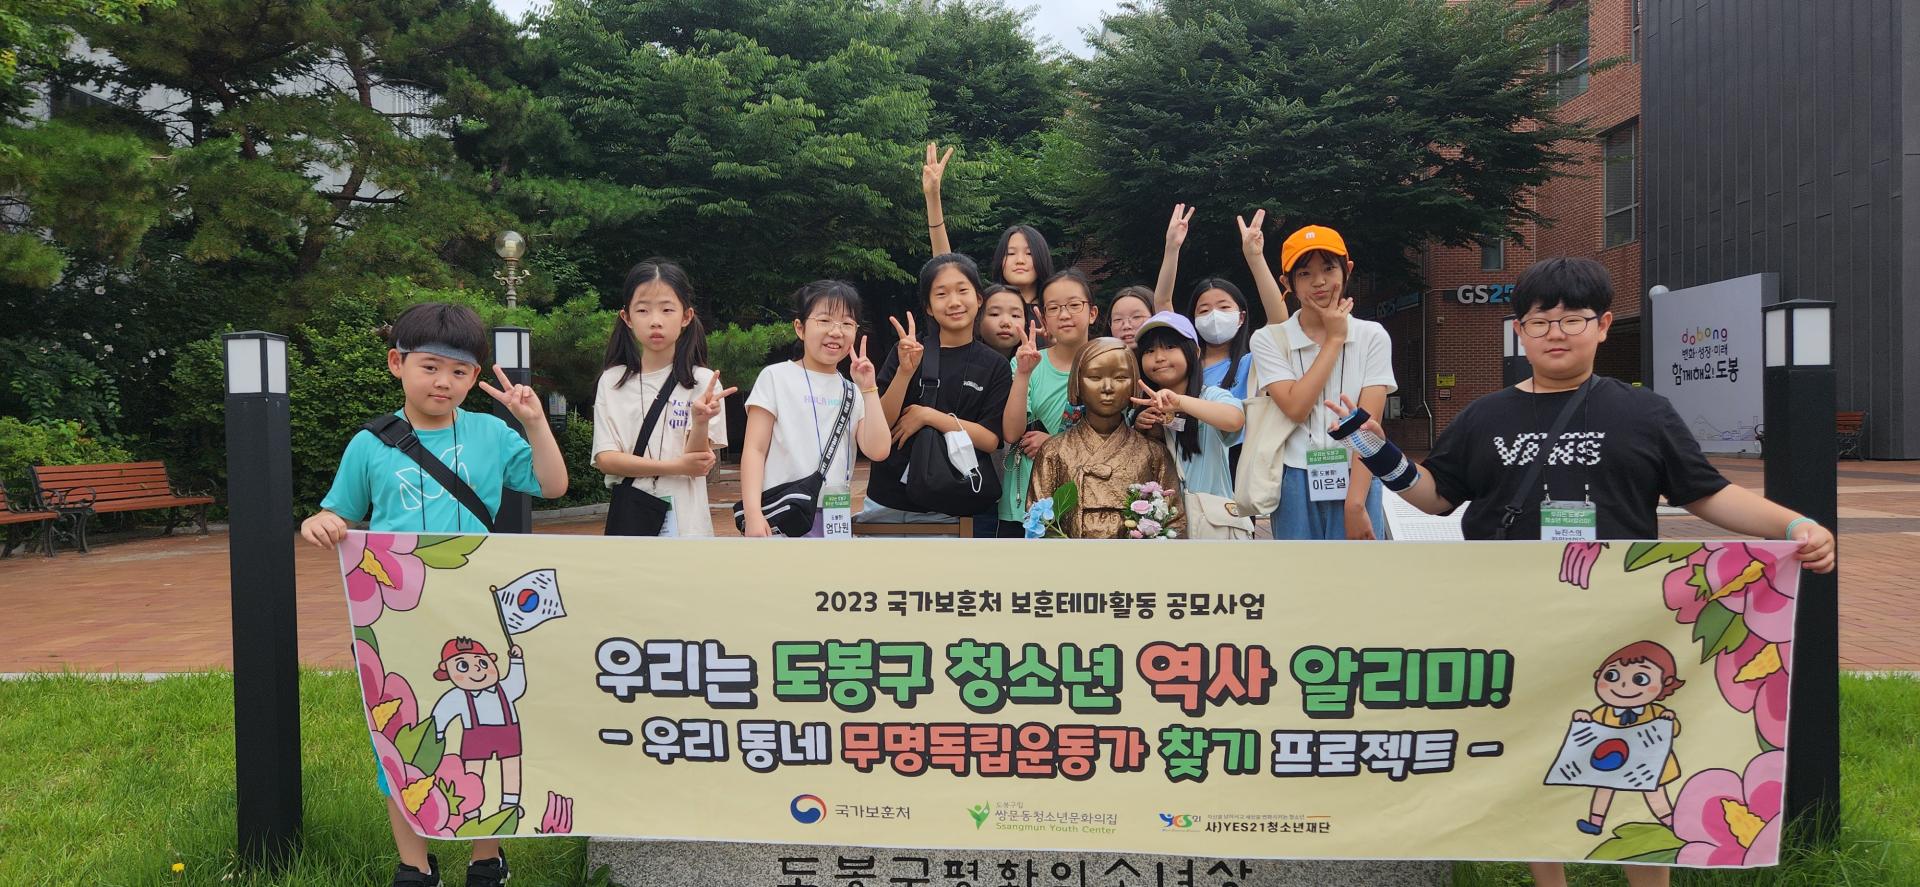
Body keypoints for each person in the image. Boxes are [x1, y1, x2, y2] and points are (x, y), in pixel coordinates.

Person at [1324, 256, 1836, 887]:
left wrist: (1793, 525)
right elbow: (1434, 497)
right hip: (1515, 618)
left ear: (1604, 325)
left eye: (1574, 319)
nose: (1557, 333)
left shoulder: (1645, 413)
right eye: (1541, 321)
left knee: (1637, 755)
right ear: (1519, 331)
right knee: (1532, 753)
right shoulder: (1485, 417)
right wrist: (1374, 448)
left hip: (1620, 620)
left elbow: (1706, 493)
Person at [299, 302, 568, 887]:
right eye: (429, 367)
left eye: (458, 371)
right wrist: (321, 521)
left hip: (475, 613)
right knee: (399, 736)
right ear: (397, 364)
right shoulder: (369, 444)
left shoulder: (491, 434)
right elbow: (339, 512)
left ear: (474, 378)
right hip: (397, 619)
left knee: (491, 731)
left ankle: (485, 857)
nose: (443, 382)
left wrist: (534, 423)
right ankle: (415, 866)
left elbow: (552, 485)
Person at [1252, 225, 1394, 540]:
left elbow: (1369, 427)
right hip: (1293, 476)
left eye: (1329, 268)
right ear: (1287, 282)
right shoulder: (1268, 339)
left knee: (1358, 571)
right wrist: (1334, 339)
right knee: (1298, 570)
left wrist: (1355, 504)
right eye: (1304, 273)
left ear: (1347, 270)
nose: (1319, 281)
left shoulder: (1372, 336)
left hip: (1359, 474)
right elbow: (1296, 408)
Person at [860, 254, 1012, 536]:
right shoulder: (907, 351)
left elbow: (990, 439)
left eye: (962, 290)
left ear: (979, 298)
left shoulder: (995, 366)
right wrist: (905, 372)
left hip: (949, 504)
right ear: (929, 307)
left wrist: (928, 416)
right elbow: (880, 423)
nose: (954, 302)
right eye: (941, 294)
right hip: (886, 500)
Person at [591, 259, 734, 536]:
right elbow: (606, 459)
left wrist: (700, 420)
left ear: (686, 316)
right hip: (632, 519)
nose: (655, 320)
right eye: (643, 310)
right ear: (627, 318)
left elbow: (697, 464)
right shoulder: (612, 381)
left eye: (667, 309)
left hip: (688, 526)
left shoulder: (703, 382)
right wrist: (674, 466)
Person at [739, 281, 890, 537]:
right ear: (800, 328)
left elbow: (878, 450)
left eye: (847, 323)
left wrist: (869, 388)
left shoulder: (852, 390)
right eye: (824, 320)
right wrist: (752, 513)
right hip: (783, 514)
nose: (836, 331)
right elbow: (755, 449)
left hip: (834, 517)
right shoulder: (775, 377)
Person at [1027, 337, 1183, 538]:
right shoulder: (1054, 450)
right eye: (1094, 377)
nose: (1108, 387)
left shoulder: (1153, 452)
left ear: (1134, 384)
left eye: (1120, 378)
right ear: (1077, 382)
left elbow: (1174, 522)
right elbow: (1039, 521)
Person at [998, 269, 1100, 536]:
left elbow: (1116, 435)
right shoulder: (1028, 363)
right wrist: (1023, 373)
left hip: (1091, 501)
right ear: (1043, 318)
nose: (1064, 315)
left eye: (1074, 305)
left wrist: (1054, 444)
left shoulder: (1109, 366)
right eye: (1053, 308)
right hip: (1026, 501)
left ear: (1092, 313)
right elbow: (1012, 433)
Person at [922, 141, 1055, 325]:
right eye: (1010, 253)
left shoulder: (1054, 311)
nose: (1020, 260)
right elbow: (945, 265)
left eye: (1029, 253)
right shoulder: (982, 305)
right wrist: (933, 198)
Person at [1131, 312, 1245, 499]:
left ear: (1195, 352)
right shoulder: (1140, 408)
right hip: (1161, 516)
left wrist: (1180, 402)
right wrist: (1139, 430)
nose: (1159, 357)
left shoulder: (1211, 396)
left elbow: (1235, 420)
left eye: (1170, 347)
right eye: (1149, 351)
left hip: (1209, 515)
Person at [976, 284, 1027, 359]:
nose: (1006, 323)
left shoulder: (1037, 362)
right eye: (995, 314)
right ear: (978, 319)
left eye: (1015, 315)